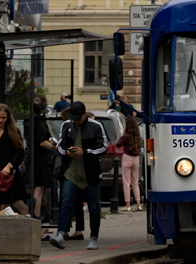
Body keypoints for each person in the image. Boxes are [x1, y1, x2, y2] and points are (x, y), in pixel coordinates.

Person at [50, 101, 107, 250]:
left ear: (84, 114)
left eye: (78, 118)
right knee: (66, 202)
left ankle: (93, 237)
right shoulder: (67, 125)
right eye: (73, 117)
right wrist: (66, 152)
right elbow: (60, 146)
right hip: (71, 171)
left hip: (91, 173)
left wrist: (85, 151)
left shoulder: (95, 126)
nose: (75, 121)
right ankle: (61, 234)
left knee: (94, 207)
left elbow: (103, 148)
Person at [31, 96, 57, 221]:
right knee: (39, 190)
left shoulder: (29, 119)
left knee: (37, 189)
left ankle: (36, 218)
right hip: (40, 158)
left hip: (32, 156)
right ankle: (36, 220)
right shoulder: (40, 120)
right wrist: (54, 146)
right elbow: (41, 141)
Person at [111, 115, 143, 211]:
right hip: (136, 159)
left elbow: (118, 144)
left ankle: (128, 205)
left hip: (127, 158)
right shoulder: (138, 136)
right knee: (135, 182)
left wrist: (123, 133)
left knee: (126, 182)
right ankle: (138, 204)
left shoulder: (126, 136)